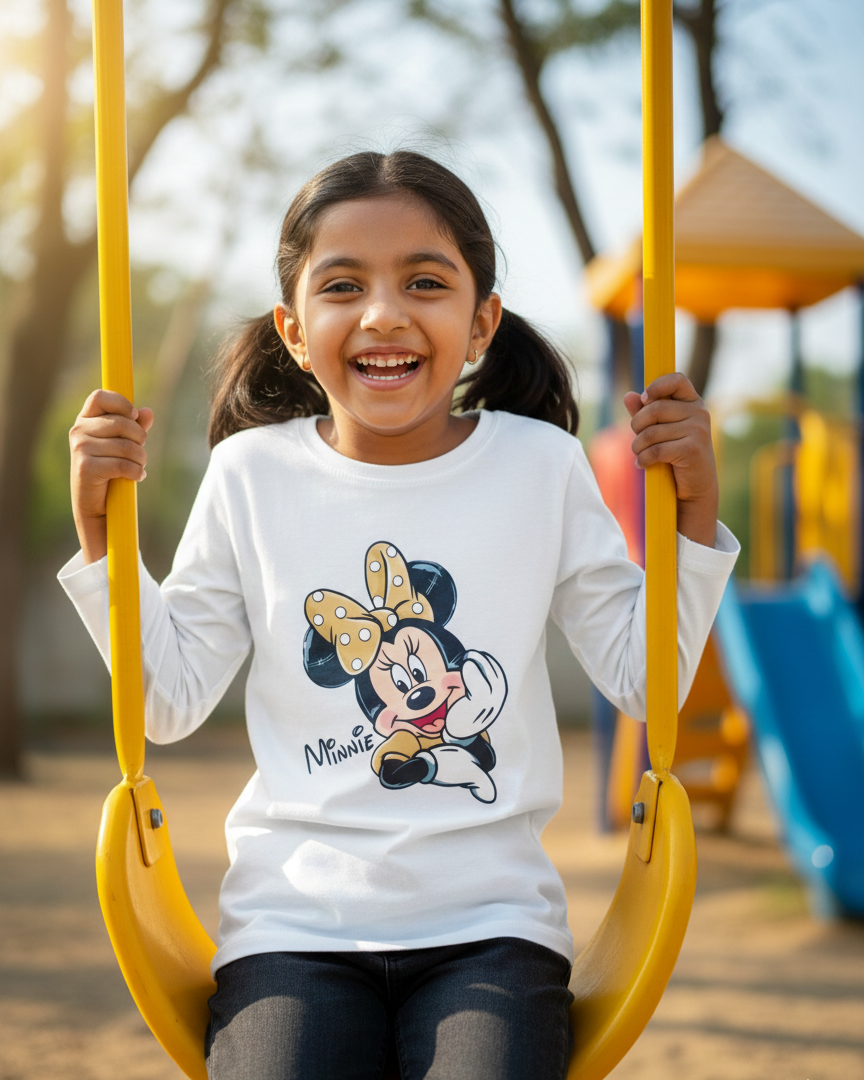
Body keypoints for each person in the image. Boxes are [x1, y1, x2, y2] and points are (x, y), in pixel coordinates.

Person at [61, 150, 738, 1080]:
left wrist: (695, 512)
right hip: (291, 931)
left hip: (492, 932)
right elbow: (166, 701)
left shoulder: (538, 466)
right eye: (344, 285)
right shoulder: (251, 476)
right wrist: (105, 541)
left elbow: (640, 676)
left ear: (480, 323)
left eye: (425, 280)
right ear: (296, 332)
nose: (384, 313)